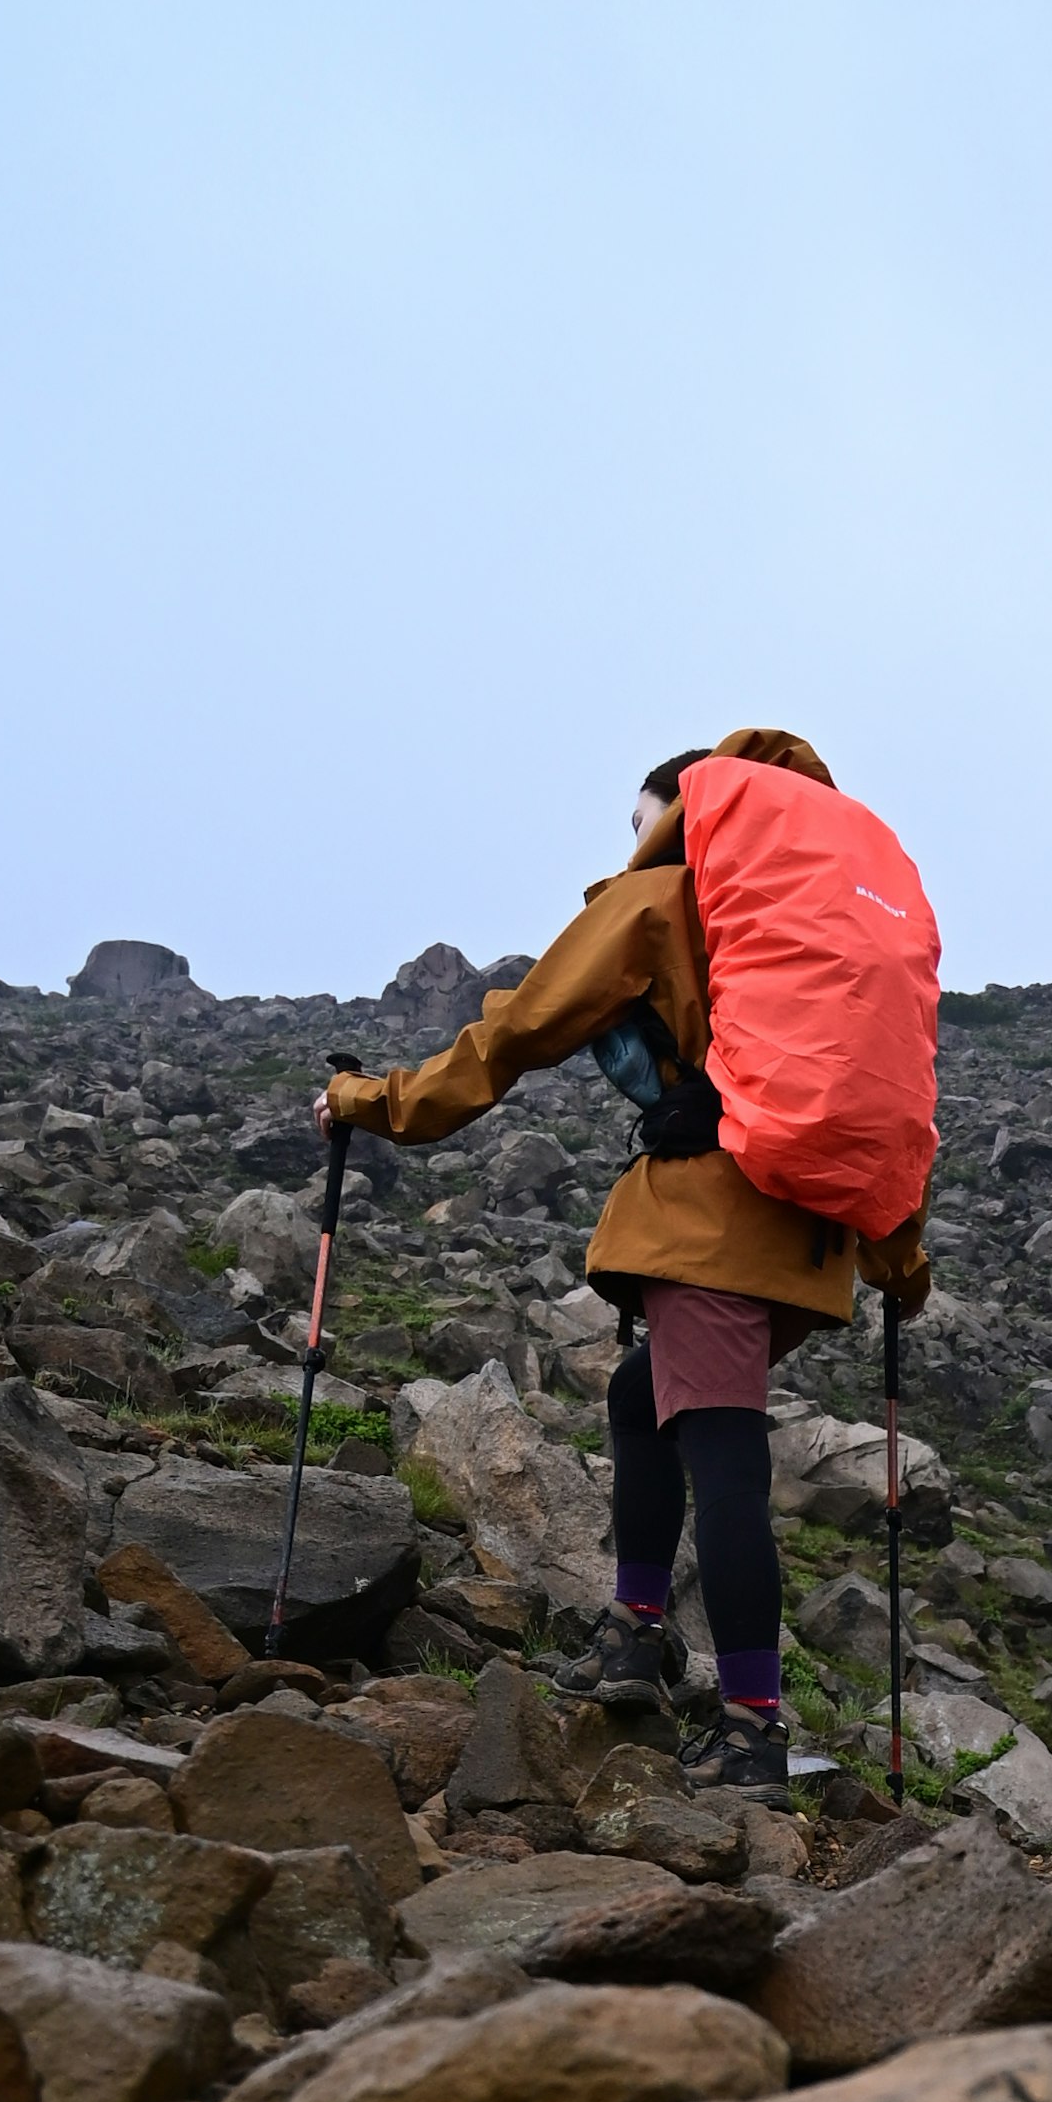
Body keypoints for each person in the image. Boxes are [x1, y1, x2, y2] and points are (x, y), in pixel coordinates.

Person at [322, 729, 930, 1786]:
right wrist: (899, 1265)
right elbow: (878, 1112)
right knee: (644, 1396)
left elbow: (513, 1033)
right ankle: (632, 1638)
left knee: (727, 1465)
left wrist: (369, 1102)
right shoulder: (819, 932)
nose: (638, 841)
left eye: (643, 820)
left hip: (710, 1231)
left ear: (688, 810)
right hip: (810, 1249)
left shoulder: (664, 897)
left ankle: (752, 1727)